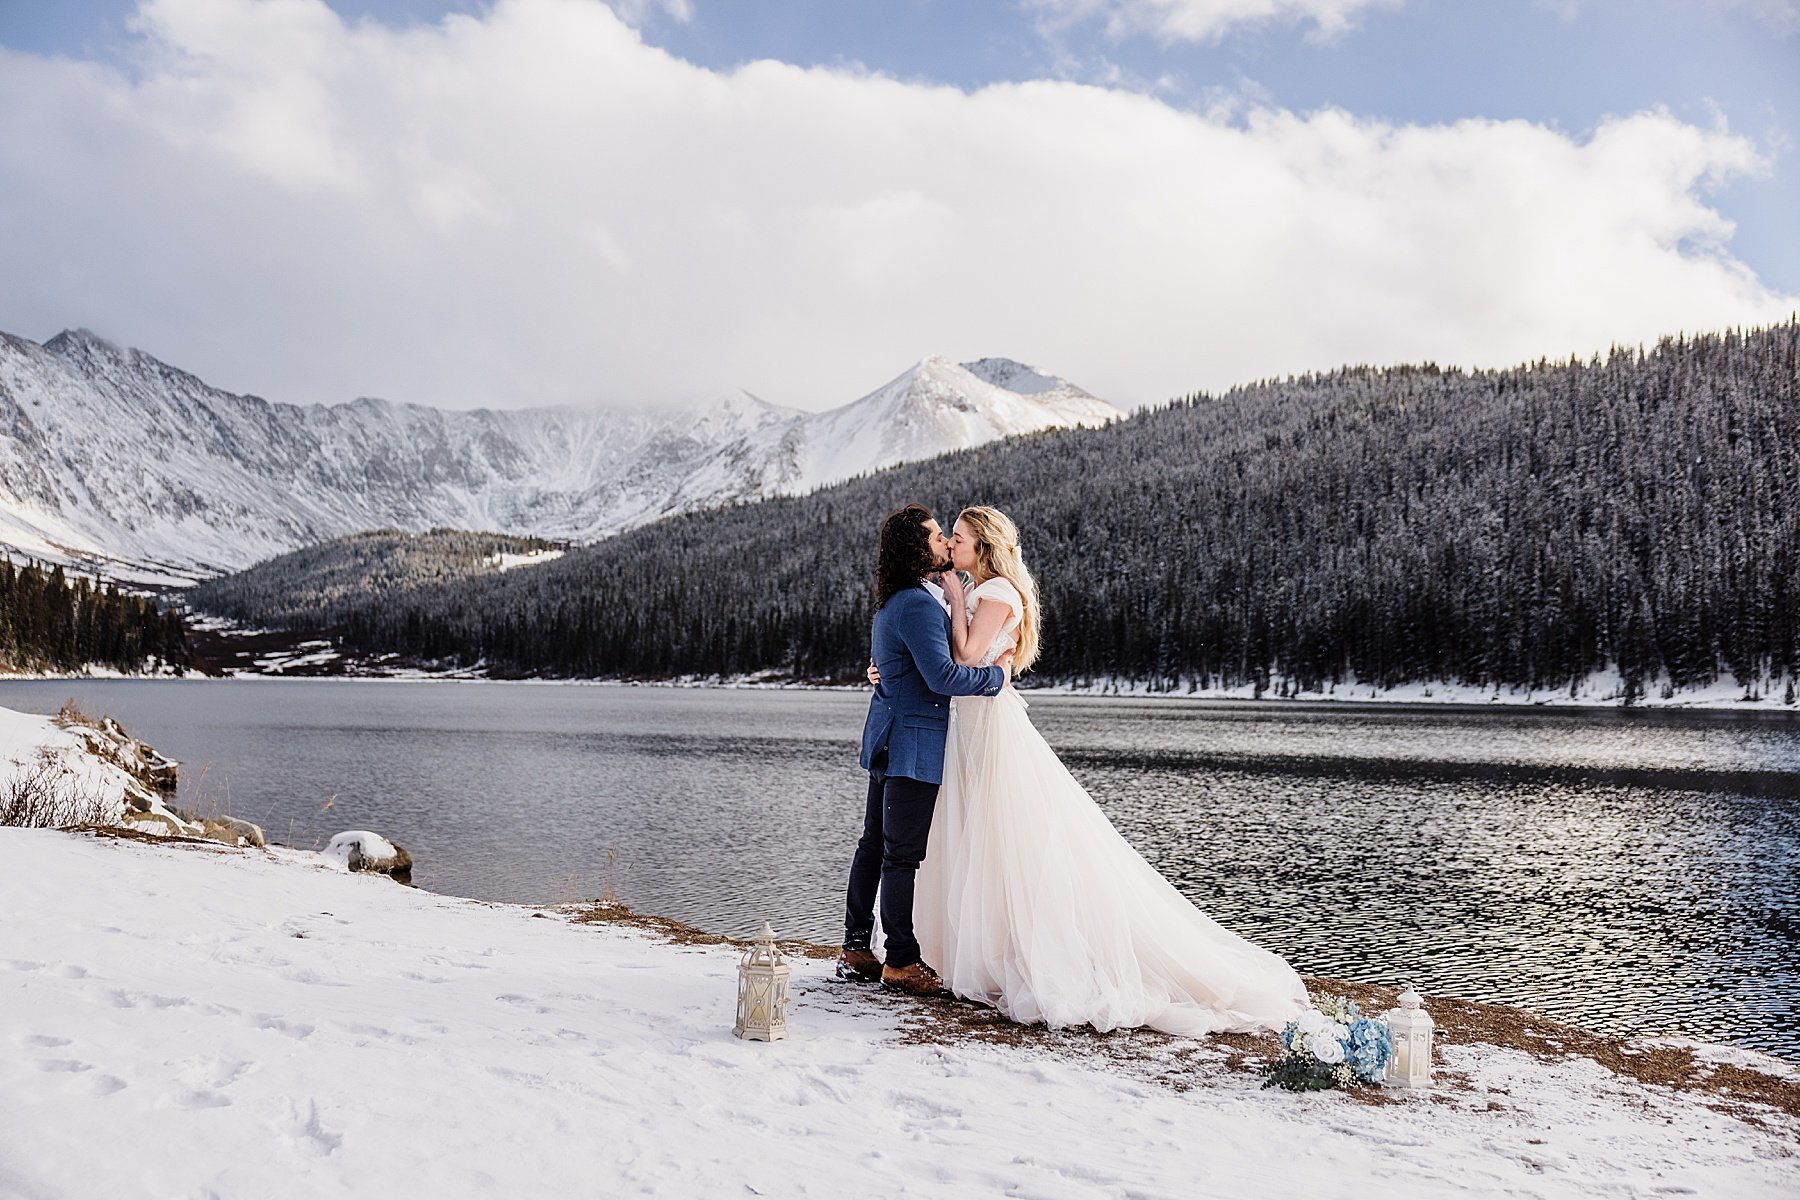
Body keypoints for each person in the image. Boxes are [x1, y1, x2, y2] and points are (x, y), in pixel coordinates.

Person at [876, 506, 1310, 1035]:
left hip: (986, 727)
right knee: (973, 839)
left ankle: (1016, 952)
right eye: (948, 538)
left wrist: (959, 599)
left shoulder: (992, 594)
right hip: (963, 728)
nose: (950, 544)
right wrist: (887, 667)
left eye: (960, 538)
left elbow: (965, 658)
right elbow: (936, 656)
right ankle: (966, 950)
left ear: (983, 548)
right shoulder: (967, 593)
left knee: (1004, 839)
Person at [837, 504, 1011, 996]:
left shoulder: (904, 599)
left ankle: (855, 946)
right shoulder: (915, 603)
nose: (946, 544)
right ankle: (901, 959)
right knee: (901, 855)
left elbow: (903, 664)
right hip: (912, 742)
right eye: (938, 537)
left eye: (948, 537)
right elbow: (942, 676)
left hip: (891, 734)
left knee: (875, 843)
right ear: (917, 549)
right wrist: (997, 677)